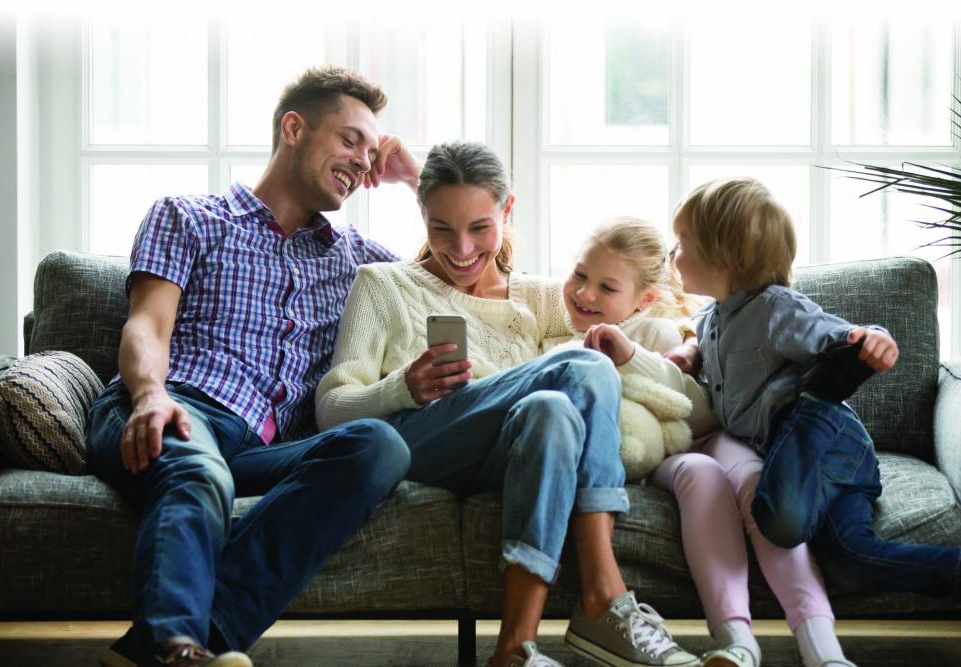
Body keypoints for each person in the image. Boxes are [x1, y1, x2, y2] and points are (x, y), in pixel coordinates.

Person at [85, 65, 422, 667]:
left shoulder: (358, 262)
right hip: (177, 407)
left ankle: (181, 647)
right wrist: (149, 395)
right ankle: (173, 648)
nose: (362, 162)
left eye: (372, 153)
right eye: (350, 140)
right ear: (294, 128)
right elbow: (148, 324)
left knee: (379, 445)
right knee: (199, 472)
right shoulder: (191, 217)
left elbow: (469, 274)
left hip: (262, 452)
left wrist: (417, 182)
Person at [316, 141, 701, 667]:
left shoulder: (542, 298)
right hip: (421, 443)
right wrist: (402, 386)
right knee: (585, 366)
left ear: (508, 211)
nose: (461, 248)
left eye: (480, 227)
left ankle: (515, 648)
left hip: (506, 454)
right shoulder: (383, 285)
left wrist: (694, 340)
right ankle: (605, 595)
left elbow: (634, 309)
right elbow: (331, 408)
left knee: (554, 410)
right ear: (422, 216)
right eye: (441, 228)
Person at [670, 176, 961, 630]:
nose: (673, 253)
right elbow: (698, 340)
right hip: (815, 467)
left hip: (824, 441)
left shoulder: (775, 308)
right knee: (850, 561)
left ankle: (821, 396)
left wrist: (872, 339)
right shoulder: (711, 318)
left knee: (779, 523)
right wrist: (688, 354)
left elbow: (837, 334)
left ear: (722, 257)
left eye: (681, 242)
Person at [548, 216, 854, 667]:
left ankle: (823, 648)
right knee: (702, 474)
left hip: (712, 434)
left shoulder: (660, 332)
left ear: (644, 299)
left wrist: (632, 357)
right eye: (578, 275)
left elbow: (700, 408)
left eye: (606, 288)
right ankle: (736, 639)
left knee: (755, 484)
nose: (584, 294)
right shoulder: (557, 341)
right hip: (668, 457)